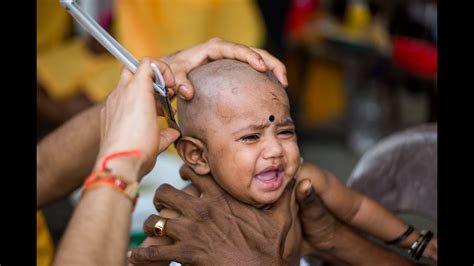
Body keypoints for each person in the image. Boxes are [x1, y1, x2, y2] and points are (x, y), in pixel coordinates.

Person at [129, 59, 435, 265]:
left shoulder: (302, 181)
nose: (275, 149)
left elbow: (356, 208)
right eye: (251, 137)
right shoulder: (192, 209)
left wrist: (416, 241)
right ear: (198, 155)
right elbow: (147, 255)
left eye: (285, 131)